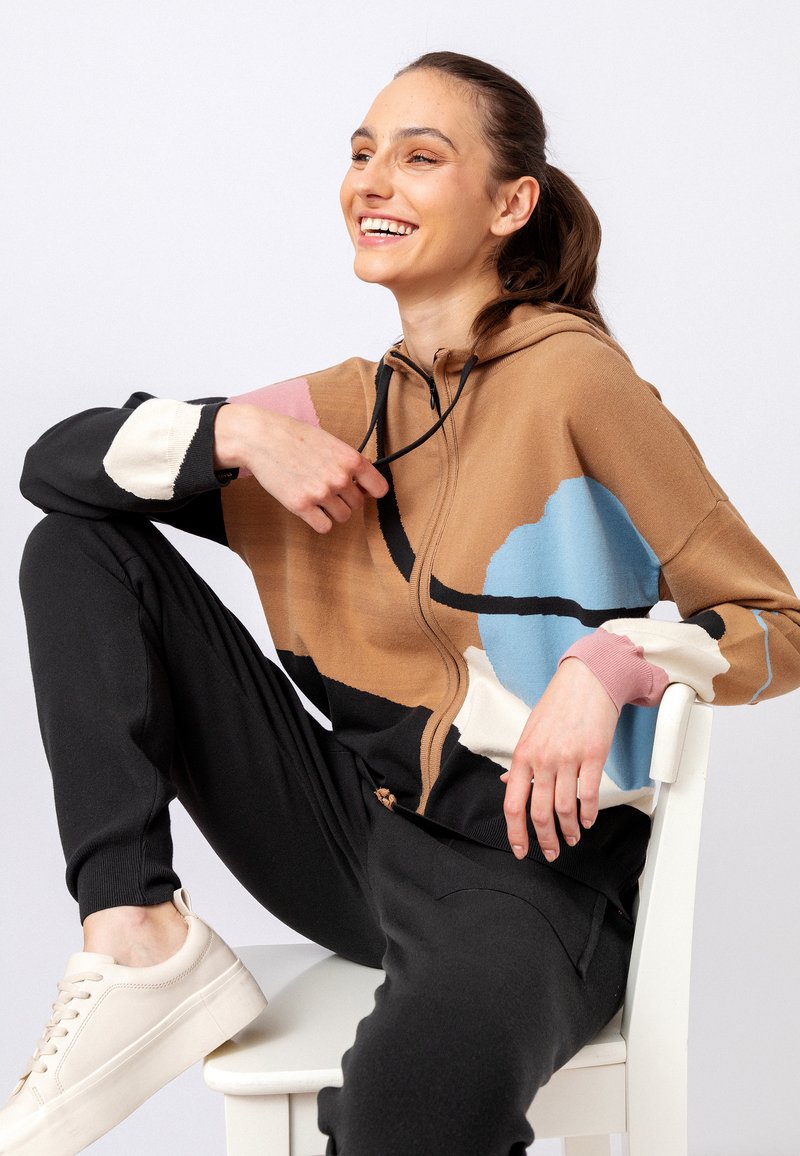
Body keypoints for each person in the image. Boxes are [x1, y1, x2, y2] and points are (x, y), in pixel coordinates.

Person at [3, 49, 799, 1156]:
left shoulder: (576, 381)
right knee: (80, 546)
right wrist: (235, 431)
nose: (372, 180)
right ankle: (135, 934)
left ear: (510, 205)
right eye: (362, 152)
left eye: (420, 157)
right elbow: (57, 468)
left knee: (404, 1112)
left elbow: (777, 623)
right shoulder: (341, 408)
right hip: (349, 837)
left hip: (529, 872)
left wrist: (609, 664)